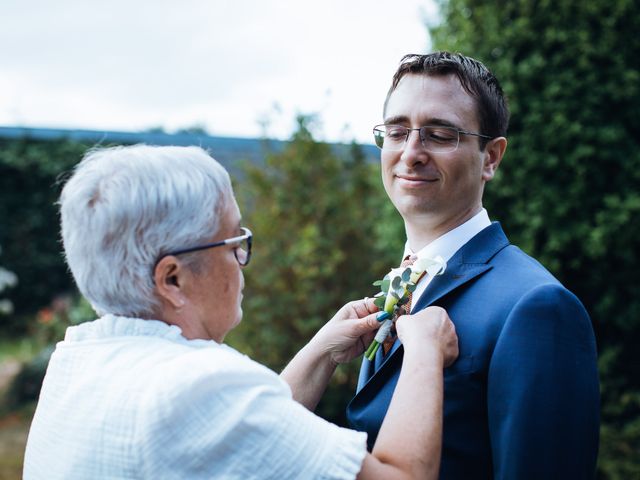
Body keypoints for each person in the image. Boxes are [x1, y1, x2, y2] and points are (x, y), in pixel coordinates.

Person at [23, 144, 458, 479]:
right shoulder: (198, 386)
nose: (241, 257)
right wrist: (425, 351)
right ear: (172, 279)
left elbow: (248, 436)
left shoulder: (77, 363)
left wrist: (320, 352)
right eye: (231, 241)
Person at [346, 52, 600, 479]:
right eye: (396, 131)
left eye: (440, 134)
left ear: (491, 158)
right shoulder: (400, 287)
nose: (411, 153)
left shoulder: (536, 307)